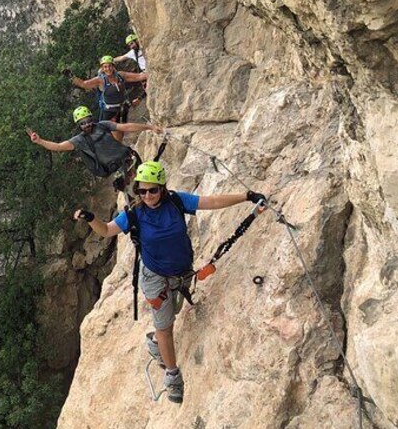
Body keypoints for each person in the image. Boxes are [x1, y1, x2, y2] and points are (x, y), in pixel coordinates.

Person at [72, 161, 266, 404]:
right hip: (155, 278)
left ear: (162, 188)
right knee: (166, 326)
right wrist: (91, 218)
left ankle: (155, 341)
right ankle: (172, 376)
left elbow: (211, 202)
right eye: (142, 191)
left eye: (153, 190)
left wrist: (246, 196)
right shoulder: (134, 214)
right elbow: (107, 230)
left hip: (181, 272)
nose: (148, 196)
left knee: (173, 312)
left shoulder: (176, 201)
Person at [27, 106, 161, 192]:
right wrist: (39, 141)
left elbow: (125, 127)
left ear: (92, 118)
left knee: (149, 183)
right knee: (137, 191)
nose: (87, 125)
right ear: (78, 125)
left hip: (128, 158)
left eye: (88, 120)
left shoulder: (103, 125)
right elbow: (58, 147)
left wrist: (149, 127)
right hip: (118, 169)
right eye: (82, 123)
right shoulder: (80, 140)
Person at [65, 56, 147, 141]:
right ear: (102, 68)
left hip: (122, 108)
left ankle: (119, 148)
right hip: (109, 112)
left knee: (121, 133)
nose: (108, 69)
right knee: (113, 134)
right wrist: (71, 77)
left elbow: (138, 77)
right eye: (105, 67)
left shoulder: (121, 75)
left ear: (113, 66)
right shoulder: (101, 80)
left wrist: (151, 74)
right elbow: (85, 84)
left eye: (110, 66)